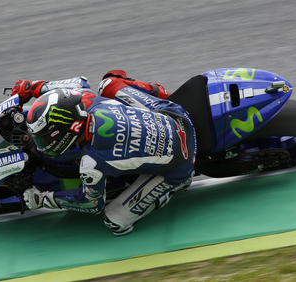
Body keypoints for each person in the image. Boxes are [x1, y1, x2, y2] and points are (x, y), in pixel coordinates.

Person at [11, 70, 197, 235]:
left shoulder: (92, 164)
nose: (41, 144)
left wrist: (44, 199)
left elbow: (92, 204)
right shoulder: (86, 101)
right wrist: (33, 87)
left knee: (115, 221)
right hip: (176, 114)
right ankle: (166, 94)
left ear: (65, 132)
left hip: (181, 162)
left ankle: (172, 188)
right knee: (109, 83)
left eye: (44, 138)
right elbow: (79, 83)